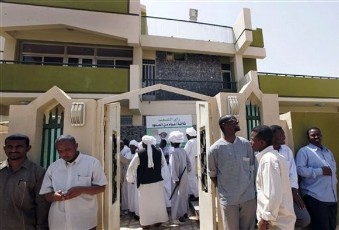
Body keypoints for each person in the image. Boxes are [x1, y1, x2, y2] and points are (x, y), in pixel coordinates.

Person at [39, 134, 107, 230]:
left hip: (84, 222)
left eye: (67, 150)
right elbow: (46, 195)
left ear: (76, 146)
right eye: (60, 151)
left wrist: (82, 190)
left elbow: (101, 187)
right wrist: (54, 196)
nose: (64, 154)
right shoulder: (53, 168)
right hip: (58, 223)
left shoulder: (92, 163)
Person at [207, 115, 256, 230]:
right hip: (229, 200)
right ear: (225, 125)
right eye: (234, 121)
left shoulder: (245, 144)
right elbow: (212, 174)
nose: (237, 122)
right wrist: (227, 190)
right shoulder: (215, 149)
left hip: (248, 197)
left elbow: (251, 167)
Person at [0, 133, 50, 230]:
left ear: (28, 148)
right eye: (10, 147)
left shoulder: (38, 173)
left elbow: (42, 205)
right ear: (4, 149)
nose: (13, 150)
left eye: (19, 147)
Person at [251, 125, 296, 230]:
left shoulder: (268, 160)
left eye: (252, 139)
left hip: (275, 223)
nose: (250, 142)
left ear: (262, 143)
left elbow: (273, 194)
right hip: (279, 220)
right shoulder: (275, 157)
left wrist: (265, 219)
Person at [295, 127, 337, 230]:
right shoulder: (304, 151)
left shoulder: (328, 152)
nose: (316, 137)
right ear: (308, 137)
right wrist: (320, 171)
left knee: (332, 227)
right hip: (315, 197)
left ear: (321, 135)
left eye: (318, 134)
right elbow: (300, 170)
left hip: (332, 197)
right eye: (313, 135)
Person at [270, 125, 311, 228]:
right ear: (273, 136)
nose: (284, 137)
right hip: (273, 195)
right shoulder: (267, 152)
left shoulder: (286, 150)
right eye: (281, 135)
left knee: (304, 219)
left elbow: (292, 172)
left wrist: (295, 192)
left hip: (290, 192)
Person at [126, 135, 169, 228]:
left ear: (144, 144)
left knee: (145, 204)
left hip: (144, 184)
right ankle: (158, 221)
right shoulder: (159, 151)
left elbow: (131, 167)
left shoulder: (139, 154)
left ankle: (146, 223)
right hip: (157, 182)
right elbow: (164, 164)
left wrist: (131, 179)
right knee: (158, 202)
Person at [168, 130, 191, 224]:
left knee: (178, 197)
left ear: (173, 142)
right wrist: (187, 172)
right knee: (184, 195)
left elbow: (173, 167)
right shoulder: (183, 150)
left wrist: (175, 179)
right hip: (184, 176)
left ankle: (179, 215)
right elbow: (189, 164)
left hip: (177, 179)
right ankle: (185, 213)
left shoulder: (174, 153)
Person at [184, 127, 199, 201]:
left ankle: (196, 195)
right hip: (197, 161)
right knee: (196, 178)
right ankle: (193, 193)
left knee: (191, 178)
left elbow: (185, 152)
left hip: (191, 162)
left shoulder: (190, 142)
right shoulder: (197, 140)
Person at [127, 139, 140, 220]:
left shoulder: (138, 155)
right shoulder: (127, 154)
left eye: (133, 147)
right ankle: (131, 209)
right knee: (130, 194)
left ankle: (136, 210)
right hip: (129, 178)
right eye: (130, 147)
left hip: (136, 178)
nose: (132, 148)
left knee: (136, 196)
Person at [120, 139, 132, 213]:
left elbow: (127, 161)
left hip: (124, 173)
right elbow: (127, 161)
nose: (121, 146)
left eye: (122, 145)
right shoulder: (117, 152)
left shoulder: (126, 151)